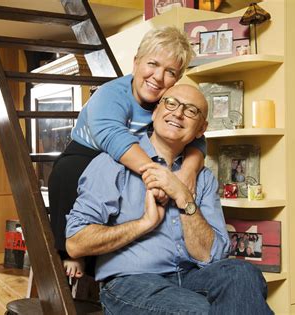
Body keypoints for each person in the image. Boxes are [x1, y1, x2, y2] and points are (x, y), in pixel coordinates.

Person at [66, 84, 272, 314]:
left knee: (242, 273)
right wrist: (144, 223)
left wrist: (183, 196)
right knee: (203, 311)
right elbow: (76, 243)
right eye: (171, 103)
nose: (178, 113)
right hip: (131, 283)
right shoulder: (112, 164)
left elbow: (210, 255)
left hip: (191, 276)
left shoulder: (202, 178)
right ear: (155, 112)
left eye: (191, 110)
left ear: (201, 129)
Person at [48, 26, 206, 279]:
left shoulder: (169, 103)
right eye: (152, 64)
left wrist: (188, 172)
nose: (158, 76)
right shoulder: (110, 95)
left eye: (170, 72)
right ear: (135, 63)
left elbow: (196, 138)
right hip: (90, 152)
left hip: (135, 158)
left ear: (177, 79)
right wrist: (163, 178)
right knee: (67, 173)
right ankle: (69, 250)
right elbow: (115, 139)